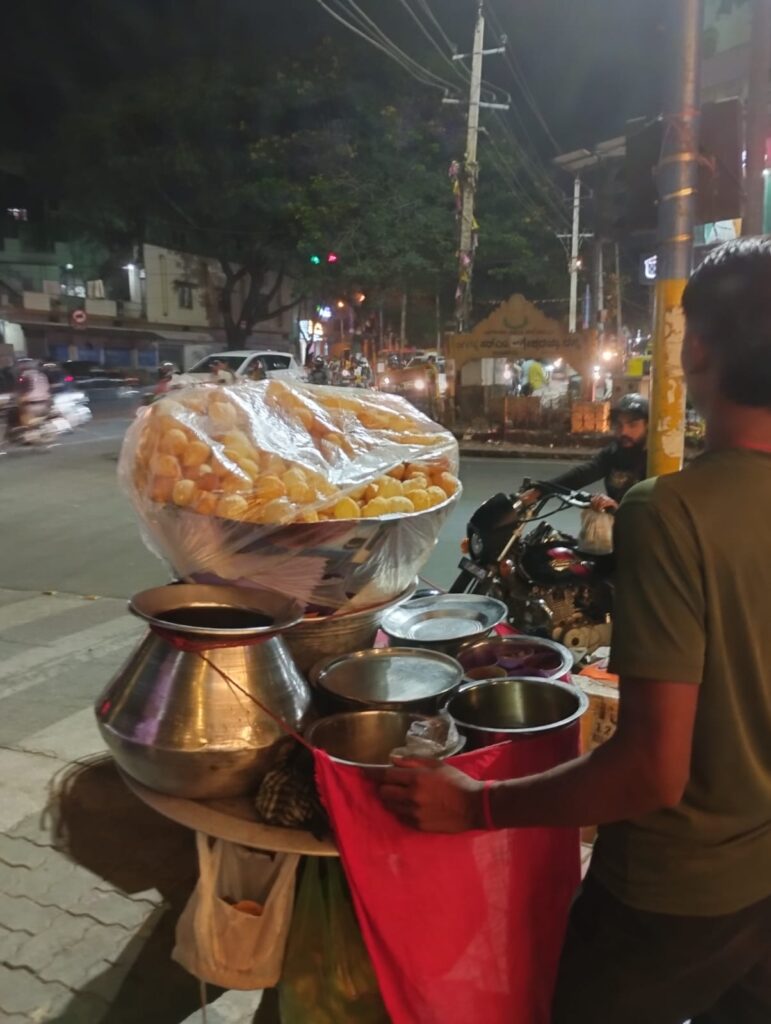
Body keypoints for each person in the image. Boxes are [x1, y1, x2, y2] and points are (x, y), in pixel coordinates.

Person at [378, 238, 771, 1023]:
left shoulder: (671, 512)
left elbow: (651, 772)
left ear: (694, 349)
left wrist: (473, 806)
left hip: (672, 895)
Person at [524, 393, 649, 512]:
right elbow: (583, 474)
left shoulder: (655, 459)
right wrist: (540, 491)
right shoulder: (614, 452)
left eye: (633, 425)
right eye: (619, 425)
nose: (624, 432)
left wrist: (619, 508)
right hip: (616, 523)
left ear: (648, 425)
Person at [14, 357, 52, 427]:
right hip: (45, 404)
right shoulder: (42, 376)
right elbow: (48, 389)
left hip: (30, 406)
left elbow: (22, 392)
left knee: (24, 424)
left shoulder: (23, 377)